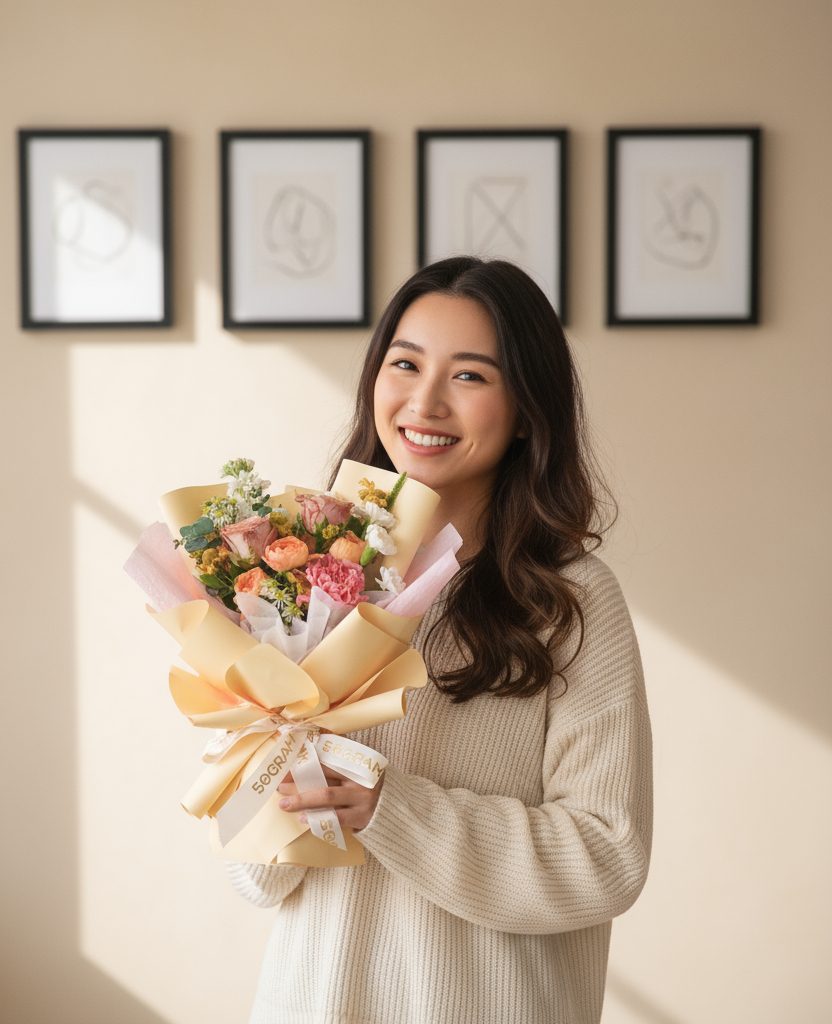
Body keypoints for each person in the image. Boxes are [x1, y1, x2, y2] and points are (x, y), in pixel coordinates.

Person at [225, 257, 652, 1024]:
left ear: (526, 409)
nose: (425, 402)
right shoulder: (311, 576)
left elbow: (607, 856)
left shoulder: (573, 603)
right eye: (406, 364)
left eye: (471, 376)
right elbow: (256, 877)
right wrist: (280, 772)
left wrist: (389, 806)